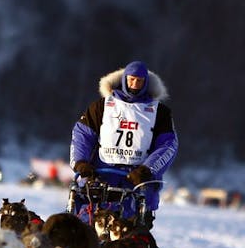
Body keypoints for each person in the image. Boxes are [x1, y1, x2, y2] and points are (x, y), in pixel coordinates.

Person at [69, 61, 178, 229]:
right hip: (101, 174)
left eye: (139, 81)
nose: (135, 85)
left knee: (131, 233)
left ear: (145, 82)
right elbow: (82, 135)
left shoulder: (159, 112)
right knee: (86, 223)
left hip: (137, 180)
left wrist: (148, 170)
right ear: (124, 79)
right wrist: (81, 162)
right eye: (131, 80)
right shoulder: (102, 106)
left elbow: (168, 146)